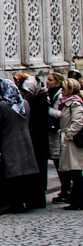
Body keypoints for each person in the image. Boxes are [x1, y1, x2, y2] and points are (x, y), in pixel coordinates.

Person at [0, 78, 40, 213]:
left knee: (13, 172)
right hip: (25, 140)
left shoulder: (3, 106)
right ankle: (26, 200)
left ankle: (14, 203)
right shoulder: (25, 104)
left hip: (9, 141)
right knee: (24, 171)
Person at [18, 76, 49, 209]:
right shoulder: (38, 99)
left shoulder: (39, 101)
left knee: (38, 169)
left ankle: (37, 199)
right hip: (36, 139)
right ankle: (36, 198)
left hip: (38, 140)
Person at [57, 78, 83, 210]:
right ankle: (75, 197)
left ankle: (79, 200)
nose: (61, 91)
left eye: (63, 88)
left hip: (72, 143)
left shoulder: (75, 103)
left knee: (76, 172)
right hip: (69, 141)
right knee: (73, 171)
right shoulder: (67, 103)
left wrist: (68, 135)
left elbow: (78, 122)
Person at [45, 72, 71, 202]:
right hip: (52, 133)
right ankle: (65, 188)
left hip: (59, 133)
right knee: (58, 162)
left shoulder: (60, 95)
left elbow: (63, 114)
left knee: (60, 163)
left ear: (58, 82)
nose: (47, 82)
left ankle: (66, 189)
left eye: (50, 80)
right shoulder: (49, 94)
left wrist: (48, 110)